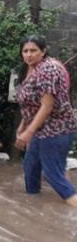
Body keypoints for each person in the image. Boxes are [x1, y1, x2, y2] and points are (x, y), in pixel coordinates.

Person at [14, 35, 77, 207]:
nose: (29, 55)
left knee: (52, 174)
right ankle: (34, 208)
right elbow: (29, 105)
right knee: (31, 168)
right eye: (25, 51)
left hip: (56, 130)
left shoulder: (48, 69)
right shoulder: (29, 68)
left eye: (33, 50)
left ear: (43, 51)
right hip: (40, 130)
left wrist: (28, 132)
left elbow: (47, 106)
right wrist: (22, 126)